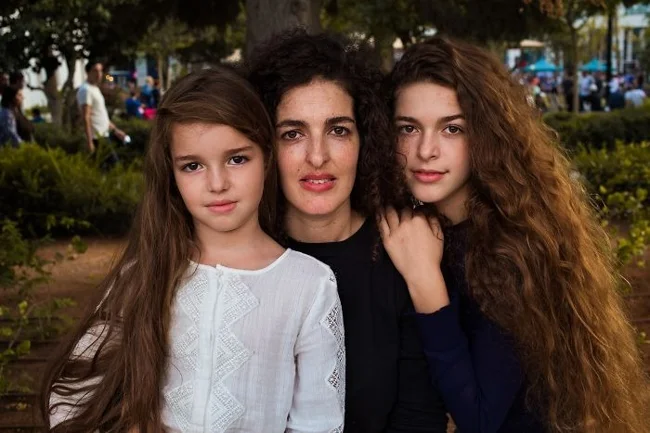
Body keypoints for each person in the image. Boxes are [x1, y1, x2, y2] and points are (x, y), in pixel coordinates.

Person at [42, 67, 345, 432]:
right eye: (193, 166)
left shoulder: (308, 285)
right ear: (171, 174)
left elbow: (319, 422)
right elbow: (71, 396)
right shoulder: (143, 274)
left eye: (237, 159)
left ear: (267, 157)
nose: (217, 183)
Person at [381, 36, 650, 433]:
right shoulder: (427, 226)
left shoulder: (511, 247)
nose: (426, 150)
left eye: (452, 128)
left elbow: (479, 419)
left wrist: (425, 282)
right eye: (408, 128)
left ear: (486, 135)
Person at [248, 29, 447, 432]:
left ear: (365, 140)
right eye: (292, 133)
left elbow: (419, 418)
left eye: (338, 130)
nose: (317, 156)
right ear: (264, 147)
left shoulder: (403, 252)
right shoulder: (238, 260)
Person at [77, 61, 127, 160]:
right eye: (95, 71)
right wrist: (89, 142)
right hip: (97, 137)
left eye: (100, 71)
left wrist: (115, 130)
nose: (98, 74)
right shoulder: (86, 90)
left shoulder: (94, 89)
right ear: (88, 72)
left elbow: (100, 115)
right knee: (113, 165)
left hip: (104, 134)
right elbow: (86, 116)